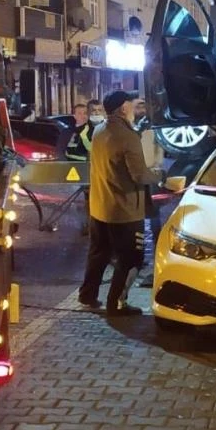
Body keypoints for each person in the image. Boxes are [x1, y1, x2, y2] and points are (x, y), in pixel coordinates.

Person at [78, 90, 163, 316]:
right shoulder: (127, 136)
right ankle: (117, 302)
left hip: (99, 206)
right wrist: (159, 175)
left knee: (99, 252)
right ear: (123, 108)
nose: (133, 110)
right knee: (131, 257)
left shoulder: (99, 130)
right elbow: (140, 175)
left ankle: (87, 295)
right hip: (124, 210)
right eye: (131, 105)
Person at [133, 98, 165, 249]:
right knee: (135, 213)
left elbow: (159, 147)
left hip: (151, 174)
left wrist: (157, 165)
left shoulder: (152, 127)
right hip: (134, 176)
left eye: (143, 106)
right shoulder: (130, 128)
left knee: (154, 212)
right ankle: (137, 249)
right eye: (137, 106)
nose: (141, 109)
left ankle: (158, 244)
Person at [65, 101, 101, 234]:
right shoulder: (80, 130)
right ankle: (88, 225)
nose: (97, 113)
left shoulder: (96, 127)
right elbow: (90, 148)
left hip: (91, 169)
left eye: (99, 110)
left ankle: (90, 225)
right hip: (81, 169)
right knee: (86, 200)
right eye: (94, 111)